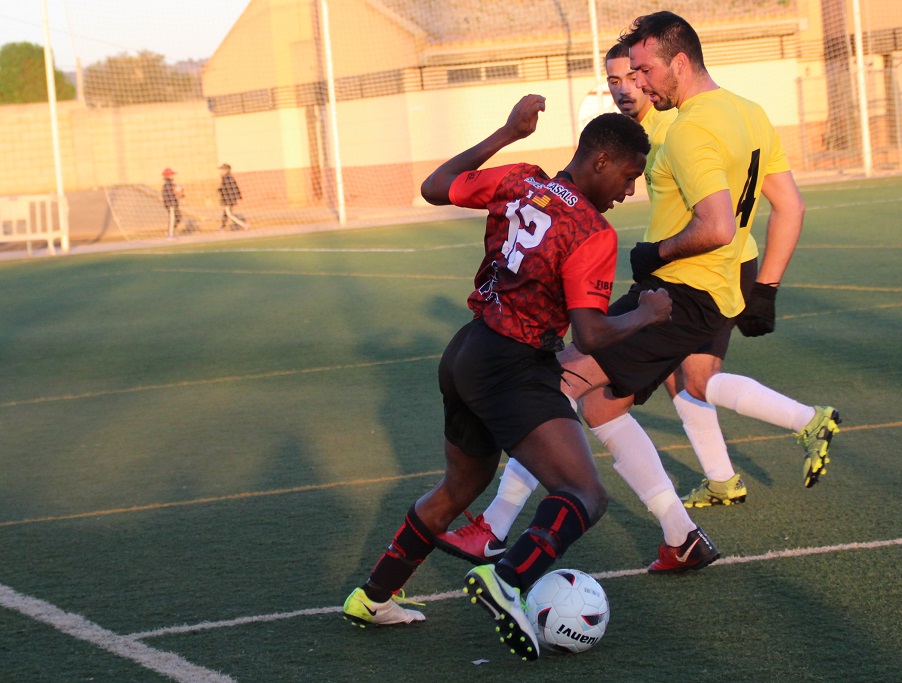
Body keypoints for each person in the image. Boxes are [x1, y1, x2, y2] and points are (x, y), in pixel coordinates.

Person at [440, 12, 838, 574]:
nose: (635, 85)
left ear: (679, 64)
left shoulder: (686, 128)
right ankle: (685, 533)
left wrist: (655, 254)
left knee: (557, 383)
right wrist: (764, 287)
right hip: (722, 281)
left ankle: (494, 528)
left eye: (641, 73)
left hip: (684, 287)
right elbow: (789, 206)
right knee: (617, 402)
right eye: (622, 78)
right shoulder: (747, 111)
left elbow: (717, 224)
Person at [341, 94, 671, 661]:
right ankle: (507, 579)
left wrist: (507, 132)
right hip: (513, 365)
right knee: (585, 494)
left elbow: (435, 186)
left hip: (466, 351)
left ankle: (372, 597)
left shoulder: (520, 178)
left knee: (458, 489)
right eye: (628, 176)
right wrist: (646, 313)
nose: (628, 191)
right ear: (601, 161)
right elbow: (590, 335)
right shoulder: (592, 231)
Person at [217, 164, 248, 231]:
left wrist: (238, 196)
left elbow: (231, 188)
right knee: (225, 214)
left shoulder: (228, 178)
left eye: (222, 170)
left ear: (227, 170)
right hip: (228, 199)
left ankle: (243, 224)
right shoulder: (226, 178)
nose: (221, 171)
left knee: (229, 214)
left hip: (228, 199)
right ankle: (222, 228)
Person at [161, 168, 182, 239]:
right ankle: (170, 235)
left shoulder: (171, 184)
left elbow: (176, 194)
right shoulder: (167, 185)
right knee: (172, 219)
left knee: (178, 217)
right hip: (171, 204)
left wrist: (179, 193)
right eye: (171, 175)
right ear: (167, 176)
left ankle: (169, 231)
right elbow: (170, 195)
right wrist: (176, 192)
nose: (173, 176)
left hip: (174, 204)